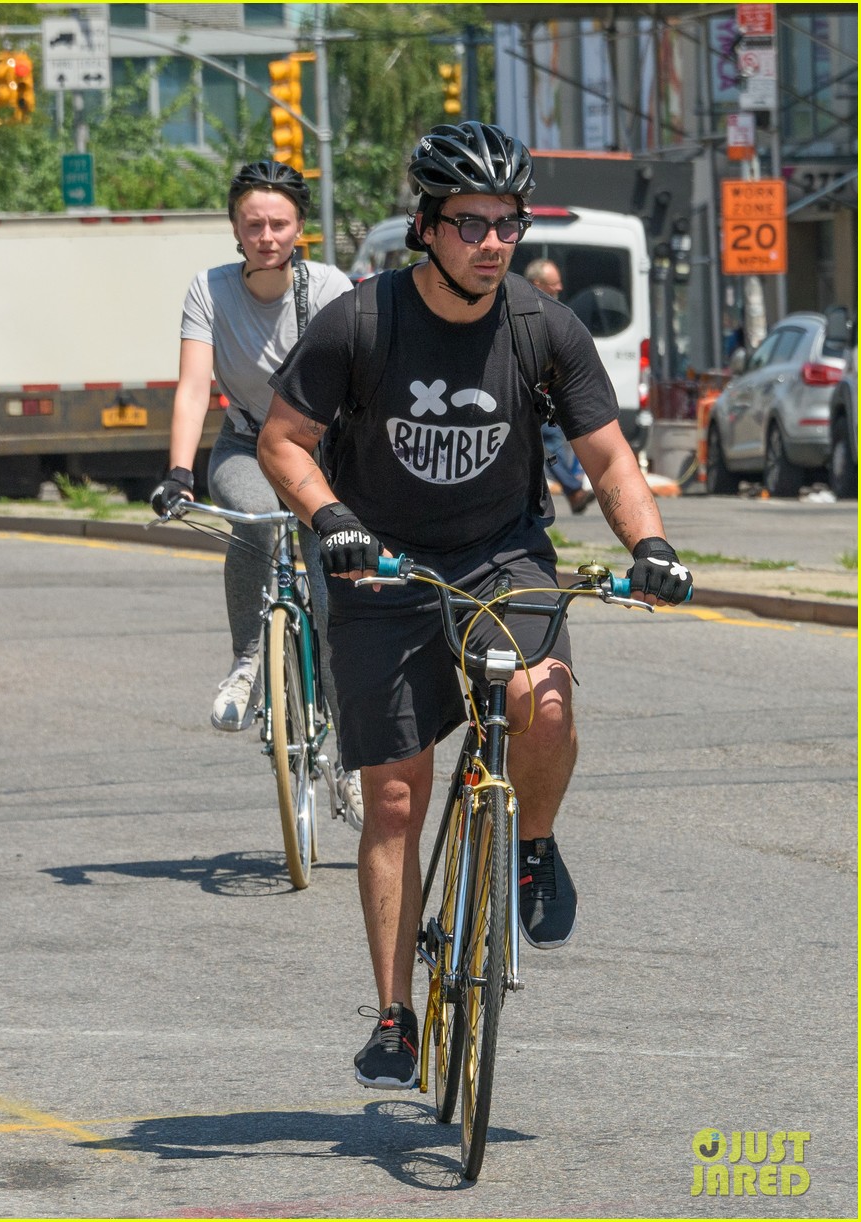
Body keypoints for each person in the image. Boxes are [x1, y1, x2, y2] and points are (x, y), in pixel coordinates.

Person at [257, 122, 692, 1090]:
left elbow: (609, 455)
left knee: (545, 699)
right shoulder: (361, 324)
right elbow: (284, 440)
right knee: (398, 795)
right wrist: (330, 519)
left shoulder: (544, 326)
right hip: (380, 566)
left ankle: (531, 848)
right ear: (426, 227)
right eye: (469, 223)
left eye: (506, 221)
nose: (491, 241)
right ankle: (393, 1015)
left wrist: (650, 546)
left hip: (503, 556)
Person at [150, 159, 363, 829]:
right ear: (235, 230)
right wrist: (179, 472)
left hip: (322, 457)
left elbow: (364, 381)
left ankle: (349, 762)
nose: (266, 235)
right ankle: (248, 660)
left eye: (278, 223)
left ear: (300, 228)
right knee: (253, 517)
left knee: (336, 610)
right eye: (253, 224)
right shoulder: (209, 290)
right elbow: (191, 385)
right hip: (246, 444)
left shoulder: (329, 287)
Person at [525, 257, 594, 514]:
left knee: (551, 443)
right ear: (537, 284)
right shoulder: (524, 314)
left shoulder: (558, 316)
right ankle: (572, 491)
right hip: (530, 396)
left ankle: (572, 491)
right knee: (544, 447)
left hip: (551, 395)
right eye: (553, 284)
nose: (560, 289)